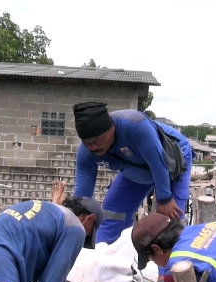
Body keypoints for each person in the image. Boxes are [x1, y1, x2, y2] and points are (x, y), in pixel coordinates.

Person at [71, 101, 194, 246]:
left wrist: (165, 199)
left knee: (170, 223)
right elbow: (82, 197)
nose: (93, 147)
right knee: (111, 216)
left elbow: (158, 163)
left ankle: (171, 265)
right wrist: (76, 216)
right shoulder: (86, 152)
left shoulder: (135, 125)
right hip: (135, 168)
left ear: (111, 128)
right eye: (87, 143)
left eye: (97, 141)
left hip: (171, 159)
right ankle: (103, 261)